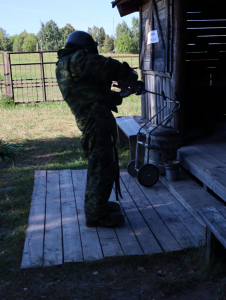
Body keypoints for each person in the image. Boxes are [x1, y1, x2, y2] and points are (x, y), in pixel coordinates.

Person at [55, 31, 138, 227]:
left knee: (98, 165)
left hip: (92, 120)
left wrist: (119, 94)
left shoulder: (66, 64)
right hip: (96, 122)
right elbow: (103, 65)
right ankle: (96, 215)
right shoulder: (76, 60)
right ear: (84, 47)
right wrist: (128, 75)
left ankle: (96, 205)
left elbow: (90, 93)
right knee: (102, 166)